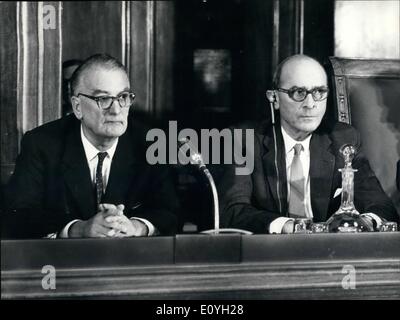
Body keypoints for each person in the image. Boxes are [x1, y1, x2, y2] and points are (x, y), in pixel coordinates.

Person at [2, 54, 179, 239]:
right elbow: (19, 215)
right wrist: (79, 229)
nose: (116, 109)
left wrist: (136, 227)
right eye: (103, 99)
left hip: (130, 261)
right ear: (77, 107)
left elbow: (171, 211)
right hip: (64, 263)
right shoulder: (42, 144)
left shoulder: (150, 143)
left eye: (123, 97)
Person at [219, 54, 399, 234]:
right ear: (274, 98)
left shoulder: (343, 138)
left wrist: (363, 221)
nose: (310, 104)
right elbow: (232, 211)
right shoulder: (243, 140)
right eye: (298, 93)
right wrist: (290, 226)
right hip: (268, 254)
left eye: (319, 92)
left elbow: (381, 207)